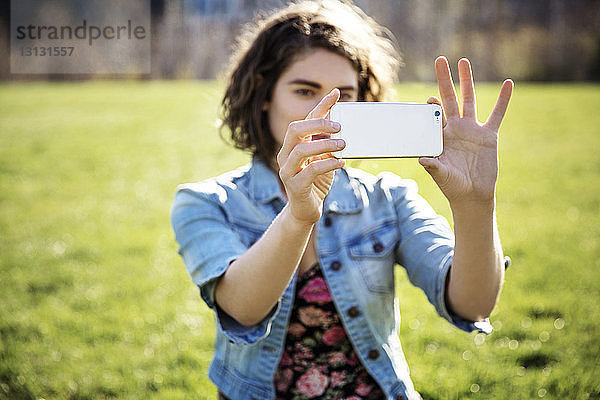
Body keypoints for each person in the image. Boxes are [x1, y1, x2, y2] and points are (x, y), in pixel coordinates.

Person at [170, 1, 513, 399]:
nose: (324, 110)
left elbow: (473, 305)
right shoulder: (205, 202)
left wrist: (475, 204)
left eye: (344, 96)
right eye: (304, 91)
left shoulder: (389, 197)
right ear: (264, 94)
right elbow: (242, 309)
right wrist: (298, 217)